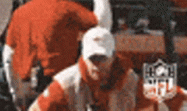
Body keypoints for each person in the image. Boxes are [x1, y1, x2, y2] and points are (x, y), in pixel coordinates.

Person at [2, 0, 112, 111]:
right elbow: (102, 26)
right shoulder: (67, 9)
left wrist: (15, 91)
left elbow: (8, 56)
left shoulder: (20, 13)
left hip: (28, 88)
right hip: (58, 86)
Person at [28, 26, 187, 110]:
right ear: (83, 56)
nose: (97, 64)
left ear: (113, 56)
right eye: (93, 58)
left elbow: (175, 98)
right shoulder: (65, 84)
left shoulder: (132, 83)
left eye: (102, 58)